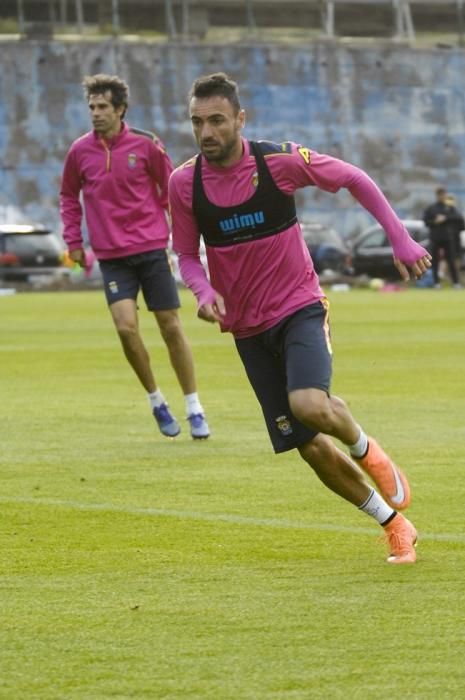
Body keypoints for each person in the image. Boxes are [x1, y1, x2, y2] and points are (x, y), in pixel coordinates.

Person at [169, 72, 433, 564]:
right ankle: (394, 525)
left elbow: (355, 177)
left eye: (217, 120)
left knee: (310, 404)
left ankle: (365, 447)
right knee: (309, 447)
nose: (206, 132)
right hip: (246, 328)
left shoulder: (277, 162)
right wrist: (203, 291)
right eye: (197, 122)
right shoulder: (184, 183)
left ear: (240, 120)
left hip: (299, 306)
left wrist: (400, 238)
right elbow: (184, 254)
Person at [60, 73, 210, 439]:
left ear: (121, 109)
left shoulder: (146, 145)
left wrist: (173, 231)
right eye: (91, 107)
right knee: (126, 328)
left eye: (103, 107)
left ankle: (194, 406)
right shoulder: (80, 151)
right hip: (111, 256)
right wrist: (73, 241)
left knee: (170, 326)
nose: (95, 113)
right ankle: (156, 400)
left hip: (151, 249)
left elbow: (172, 186)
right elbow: (68, 196)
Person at [423, 187, 463, 289]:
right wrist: (435, 222)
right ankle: (436, 283)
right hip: (435, 238)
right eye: (440, 195)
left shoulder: (450, 207)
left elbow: (459, 218)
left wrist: (446, 218)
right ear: (437, 196)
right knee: (435, 261)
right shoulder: (431, 208)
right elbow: (426, 222)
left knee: (451, 260)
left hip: (448, 238)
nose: (443, 196)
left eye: (444, 194)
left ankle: (456, 283)